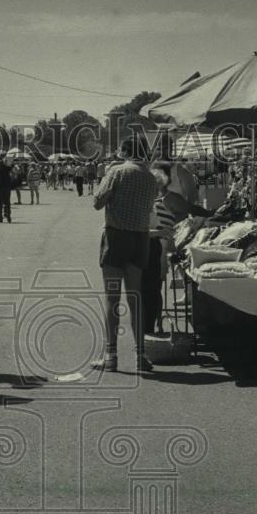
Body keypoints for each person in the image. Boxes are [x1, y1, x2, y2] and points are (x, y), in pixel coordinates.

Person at [92, 136, 158, 373]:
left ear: (126, 151)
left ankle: (111, 355)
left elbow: (97, 202)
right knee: (135, 298)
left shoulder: (117, 171)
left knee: (112, 298)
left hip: (116, 236)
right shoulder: (152, 178)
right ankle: (141, 356)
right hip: (140, 239)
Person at [143, 167, 176, 335]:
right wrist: (161, 233)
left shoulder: (157, 205)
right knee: (150, 291)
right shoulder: (145, 205)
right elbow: (141, 231)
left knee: (155, 290)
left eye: (158, 188)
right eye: (155, 187)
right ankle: (149, 326)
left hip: (157, 250)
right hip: (149, 250)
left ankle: (156, 324)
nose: (157, 191)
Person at [0, 158, 14, 223]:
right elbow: (13, 174)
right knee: (7, 202)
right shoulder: (8, 168)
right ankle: (8, 216)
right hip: (7, 187)